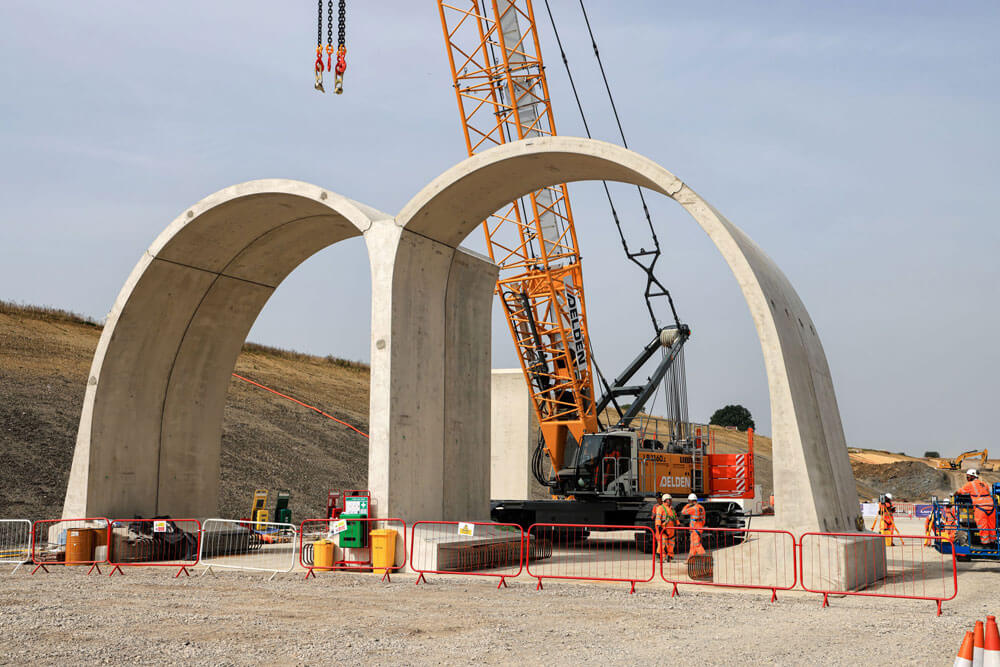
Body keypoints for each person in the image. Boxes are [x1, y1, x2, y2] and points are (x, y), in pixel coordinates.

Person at [957, 469, 996, 545]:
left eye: (968, 477)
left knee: (982, 526)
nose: (967, 479)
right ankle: (993, 542)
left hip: (980, 507)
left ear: (972, 476)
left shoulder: (970, 484)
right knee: (991, 526)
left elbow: (960, 491)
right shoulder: (985, 484)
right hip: (991, 506)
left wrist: (954, 495)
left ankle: (985, 543)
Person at [652, 493, 678, 562]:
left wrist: (678, 525)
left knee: (671, 544)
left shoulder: (672, 509)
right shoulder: (660, 508)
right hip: (664, 529)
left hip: (671, 530)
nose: (670, 501)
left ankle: (670, 557)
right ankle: (662, 557)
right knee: (662, 544)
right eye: (668, 500)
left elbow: (675, 518)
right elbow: (658, 518)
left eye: (670, 500)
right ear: (664, 500)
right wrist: (659, 527)